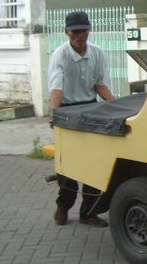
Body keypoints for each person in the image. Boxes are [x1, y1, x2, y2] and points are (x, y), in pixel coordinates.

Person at [48, 11, 114, 227]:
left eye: (84, 30)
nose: (80, 35)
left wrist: (114, 106)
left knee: (94, 166)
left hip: (91, 109)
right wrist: (54, 113)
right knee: (68, 167)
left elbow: (100, 84)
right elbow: (57, 86)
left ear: (89, 30)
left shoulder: (96, 52)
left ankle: (89, 213)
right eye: (75, 31)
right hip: (67, 111)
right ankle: (63, 207)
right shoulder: (60, 55)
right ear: (66, 32)